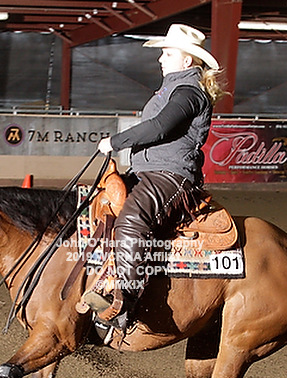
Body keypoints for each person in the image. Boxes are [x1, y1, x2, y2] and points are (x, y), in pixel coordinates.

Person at [83, 23, 228, 330]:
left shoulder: (189, 92)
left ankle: (124, 303)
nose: (161, 59)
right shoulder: (173, 89)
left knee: (131, 221)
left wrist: (115, 142)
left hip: (171, 175)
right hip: (149, 172)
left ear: (186, 60)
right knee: (98, 205)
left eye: (167, 53)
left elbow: (160, 127)